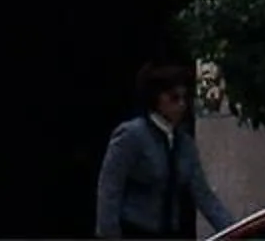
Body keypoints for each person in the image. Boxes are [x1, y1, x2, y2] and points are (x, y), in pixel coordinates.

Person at [95, 62, 228, 238]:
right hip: (134, 230)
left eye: (184, 98)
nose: (181, 105)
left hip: (169, 232)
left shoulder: (184, 143)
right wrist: (109, 235)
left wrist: (236, 231)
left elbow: (204, 196)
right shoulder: (132, 135)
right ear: (156, 98)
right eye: (174, 98)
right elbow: (110, 189)